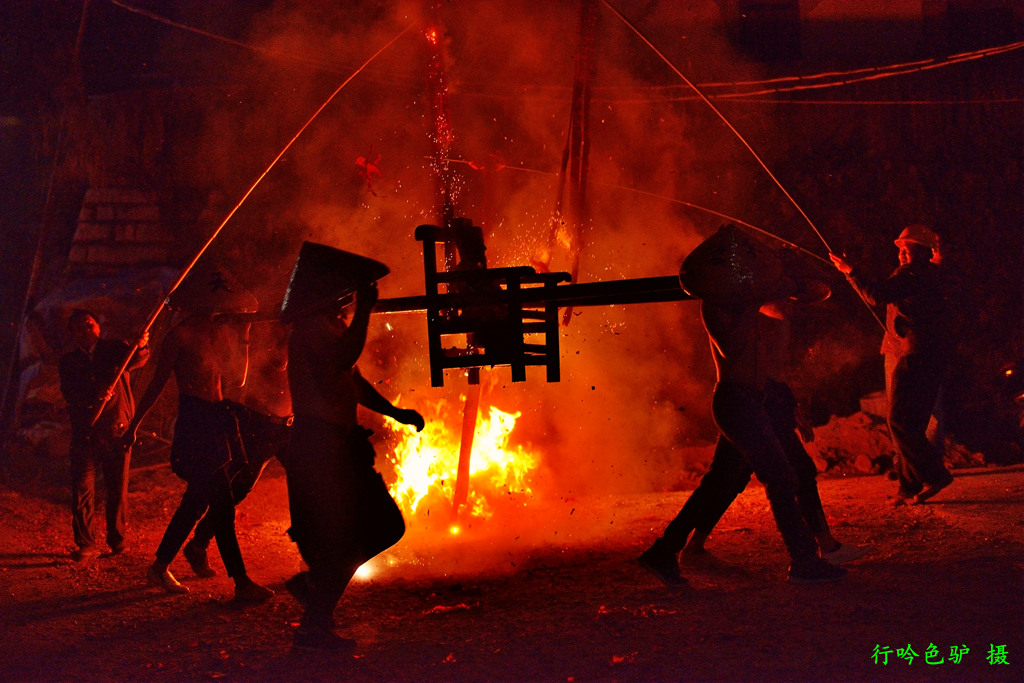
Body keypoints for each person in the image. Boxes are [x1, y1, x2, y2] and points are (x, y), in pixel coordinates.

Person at [641, 225, 847, 586]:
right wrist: (757, 297)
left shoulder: (740, 302)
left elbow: (787, 308)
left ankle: (663, 551)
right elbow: (733, 347)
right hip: (736, 403)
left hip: (754, 402)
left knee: (720, 484)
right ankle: (803, 562)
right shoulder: (716, 308)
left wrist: (788, 280)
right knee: (780, 477)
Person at [281, 242, 425, 651]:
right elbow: (345, 362)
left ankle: (316, 601)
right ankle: (314, 618)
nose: (347, 300)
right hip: (319, 445)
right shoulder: (310, 331)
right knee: (361, 532)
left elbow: (353, 382)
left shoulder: (327, 328)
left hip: (337, 445)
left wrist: (395, 413)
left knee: (374, 529)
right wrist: (365, 309)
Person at [122, 269, 274, 604]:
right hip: (195, 421)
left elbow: (238, 379)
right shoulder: (179, 336)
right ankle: (241, 581)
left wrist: (245, 335)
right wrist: (133, 425)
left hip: (218, 418)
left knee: (195, 502)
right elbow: (158, 381)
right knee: (220, 503)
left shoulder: (220, 334)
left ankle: (160, 566)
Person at [649, 377, 871, 569]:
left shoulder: (756, 330)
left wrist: (785, 401)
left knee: (727, 477)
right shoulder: (748, 329)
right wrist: (781, 401)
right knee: (792, 472)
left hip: (751, 399)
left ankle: (681, 548)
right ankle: (814, 555)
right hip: (752, 400)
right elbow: (756, 366)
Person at [830, 225, 954, 506]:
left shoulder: (912, 274)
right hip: (929, 355)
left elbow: (875, 295)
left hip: (914, 354)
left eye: (907, 248)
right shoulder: (932, 273)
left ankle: (936, 475)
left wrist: (851, 271)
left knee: (897, 420)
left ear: (923, 252)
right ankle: (908, 488)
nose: (900, 253)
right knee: (914, 422)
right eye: (899, 248)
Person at [181, 320, 293, 579]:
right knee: (239, 488)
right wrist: (289, 334)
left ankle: (315, 553)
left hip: (289, 427)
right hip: (260, 425)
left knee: (308, 484)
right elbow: (279, 363)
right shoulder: (265, 337)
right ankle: (199, 543)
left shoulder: (300, 334)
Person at [58, 309, 150, 562]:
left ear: (98, 327)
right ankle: (86, 543)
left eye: (89, 325)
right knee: (82, 489)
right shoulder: (69, 362)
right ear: (72, 334)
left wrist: (141, 345)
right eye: (79, 328)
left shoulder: (115, 350)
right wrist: (93, 397)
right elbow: (70, 393)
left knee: (117, 487)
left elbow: (137, 359)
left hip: (116, 429)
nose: (85, 331)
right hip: (85, 432)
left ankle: (117, 540)